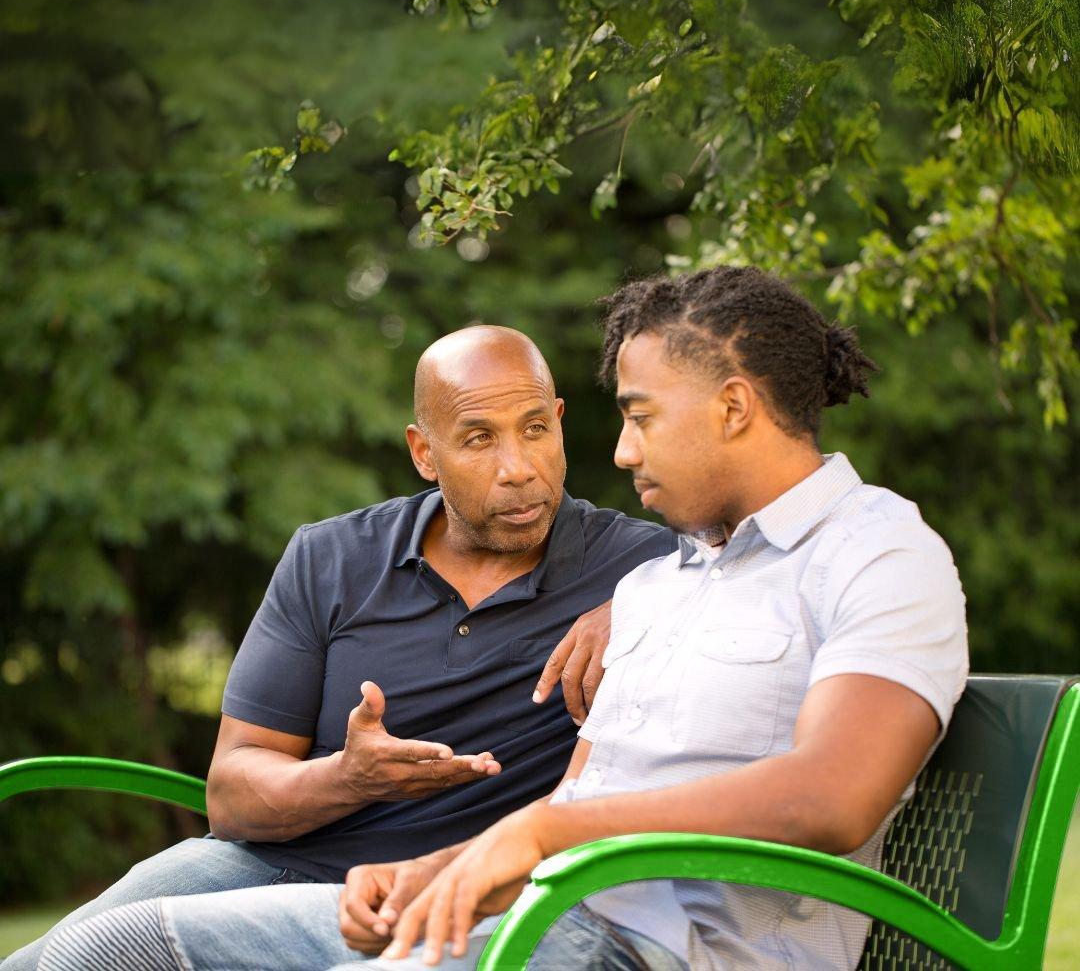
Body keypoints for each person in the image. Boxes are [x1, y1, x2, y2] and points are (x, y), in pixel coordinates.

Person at [39, 266, 969, 971]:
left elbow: (832, 799)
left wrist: (537, 840)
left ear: (733, 407)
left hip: (652, 949)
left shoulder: (877, 553)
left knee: (144, 954)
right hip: (547, 916)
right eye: (481, 438)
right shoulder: (670, 581)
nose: (619, 449)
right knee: (117, 945)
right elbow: (573, 801)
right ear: (424, 452)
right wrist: (440, 868)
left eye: (639, 417)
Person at [8, 325, 675, 971]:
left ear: (559, 420)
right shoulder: (329, 557)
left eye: (535, 429)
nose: (519, 469)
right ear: (423, 452)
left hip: (462, 891)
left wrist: (644, 599)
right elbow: (232, 796)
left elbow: (751, 567)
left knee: (115, 951)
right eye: (478, 438)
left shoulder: (649, 567)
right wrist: (348, 778)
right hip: (270, 862)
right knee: (48, 960)